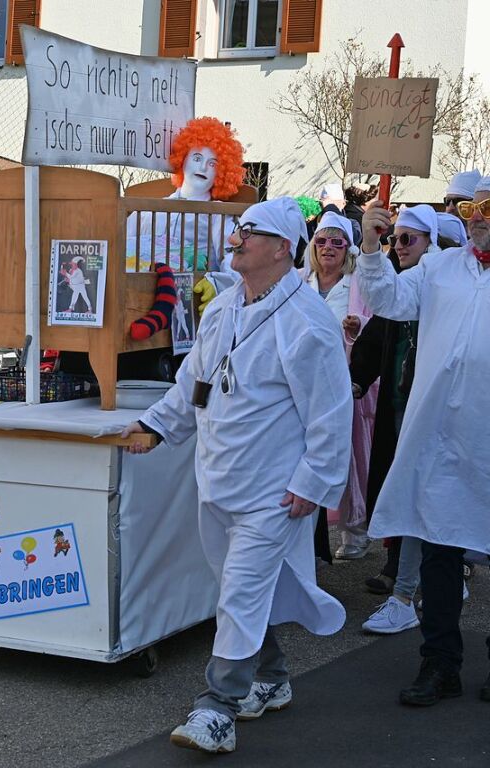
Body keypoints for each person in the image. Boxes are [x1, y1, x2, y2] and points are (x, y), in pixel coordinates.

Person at [121, 197, 352, 754]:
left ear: (280, 249)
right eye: (241, 229)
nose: (238, 237)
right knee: (238, 590)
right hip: (218, 479)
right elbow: (192, 381)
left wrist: (312, 482)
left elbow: (331, 411)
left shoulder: (307, 322)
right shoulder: (223, 308)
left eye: (252, 232)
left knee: (242, 594)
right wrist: (156, 425)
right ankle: (270, 677)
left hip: (273, 492)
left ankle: (217, 708)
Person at [357, 180, 490, 706]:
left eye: (488, 206)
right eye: (468, 208)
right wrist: (371, 246)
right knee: (439, 550)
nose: (477, 216)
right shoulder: (438, 268)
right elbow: (388, 298)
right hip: (440, 438)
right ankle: (440, 663)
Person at [350, 206, 439, 634]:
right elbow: (377, 329)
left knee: (434, 502)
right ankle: (404, 588)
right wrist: (355, 381)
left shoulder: (444, 286)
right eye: (396, 239)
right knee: (408, 495)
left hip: (444, 415)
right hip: (403, 411)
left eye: (408, 239)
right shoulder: (405, 288)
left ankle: (434, 579)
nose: (399, 247)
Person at [302, 211, 376, 562]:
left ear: (348, 249)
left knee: (351, 458)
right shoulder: (300, 281)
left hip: (345, 381)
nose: (328, 248)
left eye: (337, 242)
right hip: (306, 383)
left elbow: (377, 322)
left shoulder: (357, 283)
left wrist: (357, 324)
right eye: (322, 241)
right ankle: (311, 534)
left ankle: (354, 530)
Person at [129, 117, 245, 272]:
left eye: (212, 164)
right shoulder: (149, 211)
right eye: (197, 158)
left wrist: (216, 283)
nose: (203, 167)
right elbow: (119, 242)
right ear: (182, 159)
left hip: (196, 292)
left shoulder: (218, 215)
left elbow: (232, 258)